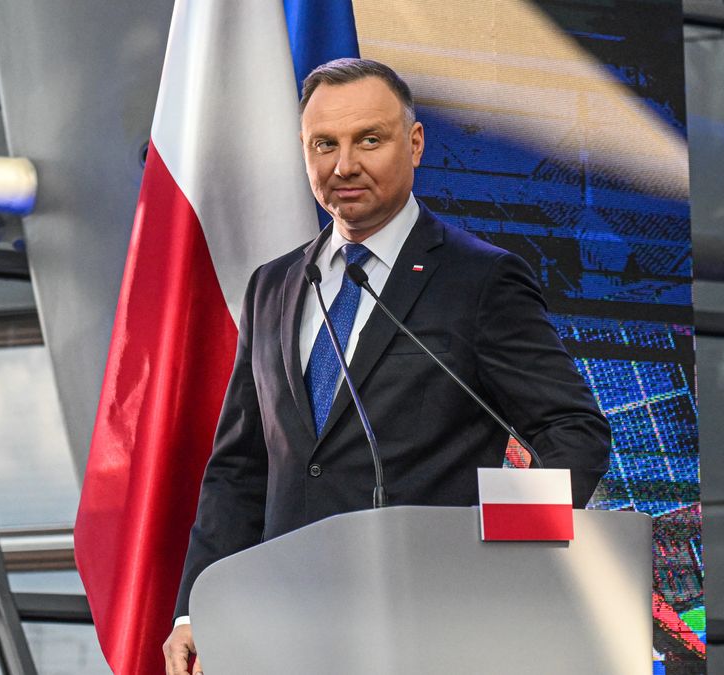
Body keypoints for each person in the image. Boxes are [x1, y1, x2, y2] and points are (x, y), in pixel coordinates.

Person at [163, 58, 611, 675]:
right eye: (325, 144)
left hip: (427, 629)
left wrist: (494, 557)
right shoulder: (274, 285)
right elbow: (241, 467)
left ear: (416, 143)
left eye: (369, 139)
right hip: (285, 631)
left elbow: (573, 432)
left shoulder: (480, 279)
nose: (344, 165)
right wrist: (194, 611)